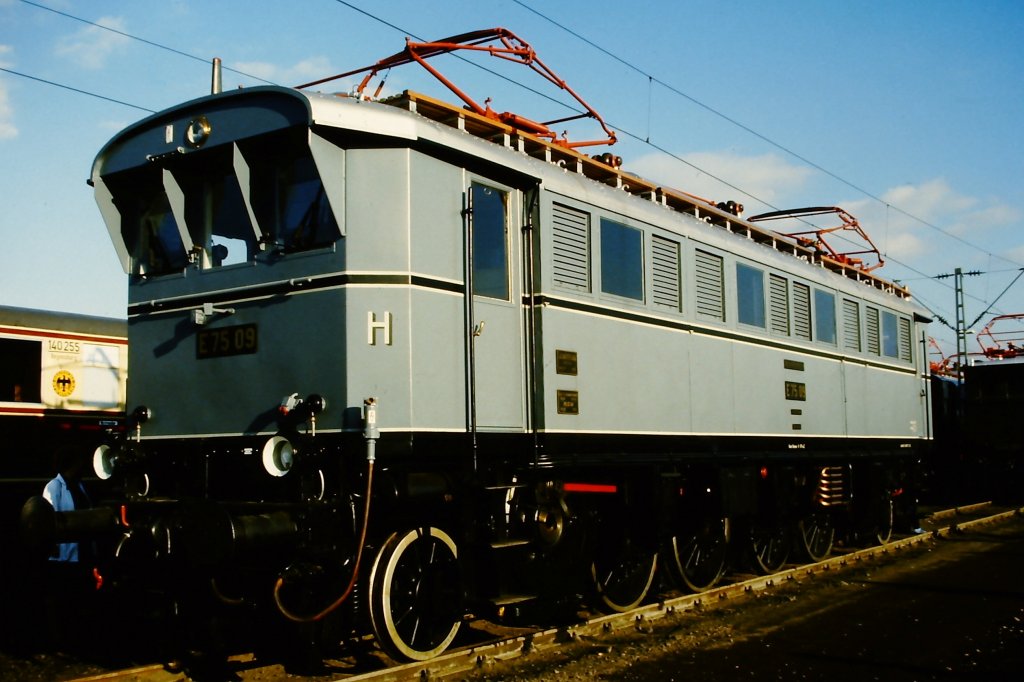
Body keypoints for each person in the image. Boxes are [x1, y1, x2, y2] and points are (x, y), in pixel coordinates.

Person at [42, 447, 92, 562]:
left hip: (84, 551)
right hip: (65, 556)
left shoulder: (79, 485)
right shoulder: (54, 486)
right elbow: (51, 520)